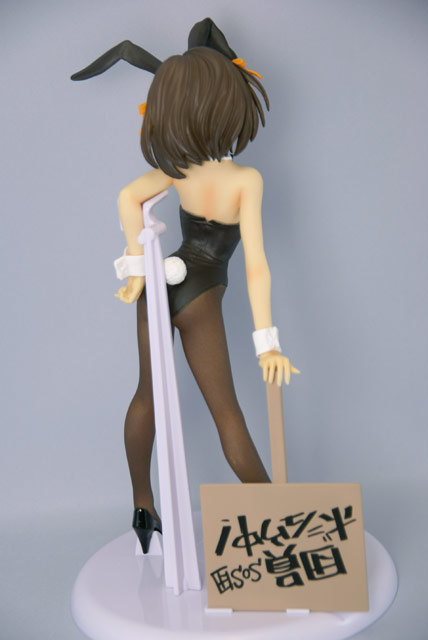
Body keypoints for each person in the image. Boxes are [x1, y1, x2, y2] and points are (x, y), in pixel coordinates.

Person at [72, 18, 299, 553]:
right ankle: (284, 530)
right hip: (200, 295)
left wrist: (135, 267)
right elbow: (257, 265)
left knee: (146, 397)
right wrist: (266, 342)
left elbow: (128, 196)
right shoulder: (245, 181)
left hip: (159, 284)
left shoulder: (180, 171)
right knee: (228, 415)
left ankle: (142, 504)